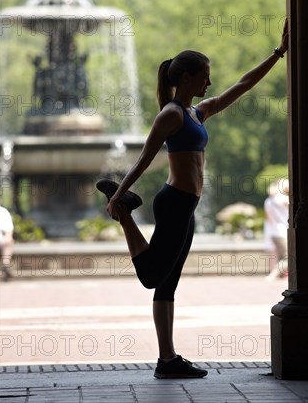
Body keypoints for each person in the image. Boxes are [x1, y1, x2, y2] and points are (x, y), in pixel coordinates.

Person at [96, 20, 289, 378]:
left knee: (167, 282)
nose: (209, 83)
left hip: (187, 206)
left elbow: (242, 86)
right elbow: (144, 157)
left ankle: (167, 360)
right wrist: (119, 194)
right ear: (185, 77)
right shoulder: (171, 114)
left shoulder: (196, 113)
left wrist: (278, 54)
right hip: (172, 202)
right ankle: (124, 212)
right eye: (204, 76)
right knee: (153, 277)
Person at [264, 179, 289, 280]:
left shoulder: (268, 201)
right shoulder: (282, 198)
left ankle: (280, 274)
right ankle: (273, 275)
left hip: (273, 231)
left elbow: (268, 218)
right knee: (289, 257)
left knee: (280, 256)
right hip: (282, 231)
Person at [0, 196, 14, 282]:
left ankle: (6, 267)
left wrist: (8, 238)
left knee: (8, 242)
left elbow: (8, 230)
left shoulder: (3, 212)